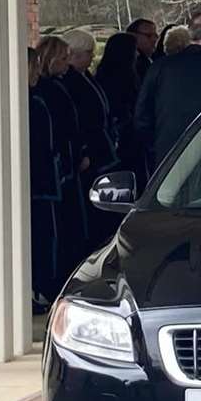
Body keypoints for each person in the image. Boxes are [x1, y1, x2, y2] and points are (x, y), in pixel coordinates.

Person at [135, 11, 201, 171]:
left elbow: (142, 120)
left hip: (168, 164)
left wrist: (158, 148)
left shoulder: (159, 68)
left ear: (190, 35)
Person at [35, 35, 86, 284]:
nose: (68, 64)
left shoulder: (56, 87)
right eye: (64, 59)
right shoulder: (48, 92)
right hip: (58, 172)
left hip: (64, 168)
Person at [61, 28, 118, 247]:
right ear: (75, 54)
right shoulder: (71, 81)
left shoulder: (84, 77)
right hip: (89, 153)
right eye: (88, 54)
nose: (92, 58)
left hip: (100, 149)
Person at [28, 47, 59, 310]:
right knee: (39, 238)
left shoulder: (36, 99)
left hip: (37, 181)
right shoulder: (34, 102)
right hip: (38, 184)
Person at [94, 31, 143, 184]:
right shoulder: (118, 80)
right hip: (124, 139)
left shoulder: (106, 75)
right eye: (134, 50)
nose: (137, 54)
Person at [126, 17, 157, 83]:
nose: (154, 39)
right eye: (149, 35)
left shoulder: (153, 59)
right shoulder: (132, 65)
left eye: (156, 35)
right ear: (133, 36)